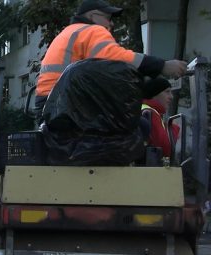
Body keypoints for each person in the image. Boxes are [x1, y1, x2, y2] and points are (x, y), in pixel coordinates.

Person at [34, 0, 187, 118]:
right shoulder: (92, 31)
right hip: (68, 104)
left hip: (49, 103)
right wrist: (162, 66)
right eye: (108, 18)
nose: (111, 23)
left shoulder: (68, 33)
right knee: (135, 127)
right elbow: (118, 59)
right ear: (92, 16)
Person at [141, 78, 179, 160]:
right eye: (167, 92)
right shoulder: (150, 113)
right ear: (154, 93)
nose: (171, 97)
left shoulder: (144, 109)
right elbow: (165, 150)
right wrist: (173, 128)